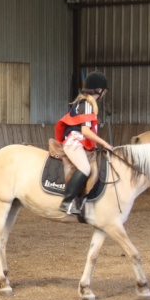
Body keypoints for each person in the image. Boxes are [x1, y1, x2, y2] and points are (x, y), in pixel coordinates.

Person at [55, 71, 113, 215]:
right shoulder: (86, 103)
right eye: (104, 91)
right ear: (99, 90)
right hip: (74, 141)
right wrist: (104, 143)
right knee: (85, 168)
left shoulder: (84, 102)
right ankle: (66, 202)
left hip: (79, 141)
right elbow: (86, 131)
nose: (104, 94)